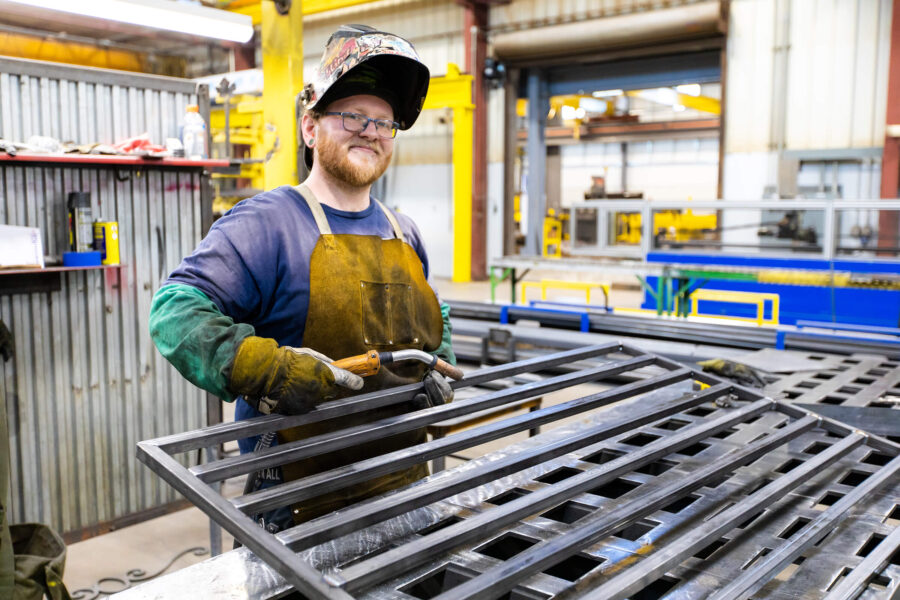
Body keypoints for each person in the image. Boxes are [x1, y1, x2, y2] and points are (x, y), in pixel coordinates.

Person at [149, 24, 455, 532]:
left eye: (384, 122)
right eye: (353, 115)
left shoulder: (406, 232)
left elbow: (436, 319)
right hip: (299, 506)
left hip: (402, 486)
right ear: (310, 128)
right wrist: (263, 368)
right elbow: (174, 312)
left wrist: (441, 367)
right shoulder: (266, 224)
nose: (371, 131)